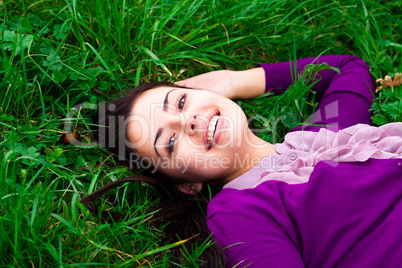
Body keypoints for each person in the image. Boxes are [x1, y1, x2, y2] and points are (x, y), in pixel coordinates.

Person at [83, 55, 402, 267]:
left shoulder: (326, 135)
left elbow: (346, 68)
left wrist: (235, 81)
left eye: (180, 101)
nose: (189, 121)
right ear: (187, 184)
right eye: (169, 141)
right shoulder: (237, 214)